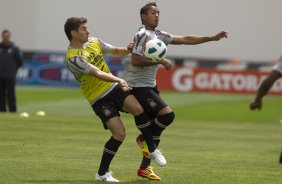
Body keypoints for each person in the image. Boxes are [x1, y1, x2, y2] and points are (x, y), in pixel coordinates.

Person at [122, 2, 228, 181]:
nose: (157, 15)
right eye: (153, 12)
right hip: (138, 86)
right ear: (143, 16)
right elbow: (135, 60)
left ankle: (144, 168)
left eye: (158, 12)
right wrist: (160, 61)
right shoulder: (141, 35)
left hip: (150, 85)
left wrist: (211, 38)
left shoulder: (158, 35)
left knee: (157, 129)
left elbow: (185, 39)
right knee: (167, 116)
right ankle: (145, 141)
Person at [64, 17, 166, 182]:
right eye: (83, 29)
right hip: (98, 98)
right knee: (119, 133)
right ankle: (102, 173)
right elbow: (96, 72)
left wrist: (127, 49)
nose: (87, 31)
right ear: (73, 33)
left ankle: (152, 149)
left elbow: (115, 51)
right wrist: (118, 79)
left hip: (112, 89)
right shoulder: (73, 58)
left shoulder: (93, 42)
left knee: (138, 109)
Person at [0, 30, 23, 113]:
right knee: (1, 95)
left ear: (9, 37)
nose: (6, 38)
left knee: (11, 95)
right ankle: (2, 111)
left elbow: (20, 61)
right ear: (2, 37)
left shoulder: (14, 49)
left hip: (10, 76)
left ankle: (13, 111)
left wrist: (13, 70)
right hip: (0, 76)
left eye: (7, 36)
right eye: (4, 36)